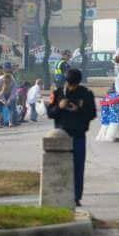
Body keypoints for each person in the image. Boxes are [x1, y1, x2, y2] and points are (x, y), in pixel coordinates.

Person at [46, 68, 97, 206]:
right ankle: (60, 194)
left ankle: (76, 197)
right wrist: (59, 107)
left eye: (74, 85)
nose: (71, 87)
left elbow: (92, 114)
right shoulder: (57, 93)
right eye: (70, 84)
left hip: (78, 135)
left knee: (78, 167)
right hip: (61, 135)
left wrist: (79, 109)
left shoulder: (86, 94)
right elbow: (50, 113)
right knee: (60, 166)